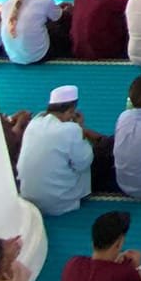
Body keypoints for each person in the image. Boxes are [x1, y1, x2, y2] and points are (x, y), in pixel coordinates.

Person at [18, 84, 99, 217]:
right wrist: (79, 127)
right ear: (70, 111)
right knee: (89, 158)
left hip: (29, 199)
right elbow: (84, 162)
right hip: (58, 202)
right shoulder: (70, 130)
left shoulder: (34, 123)